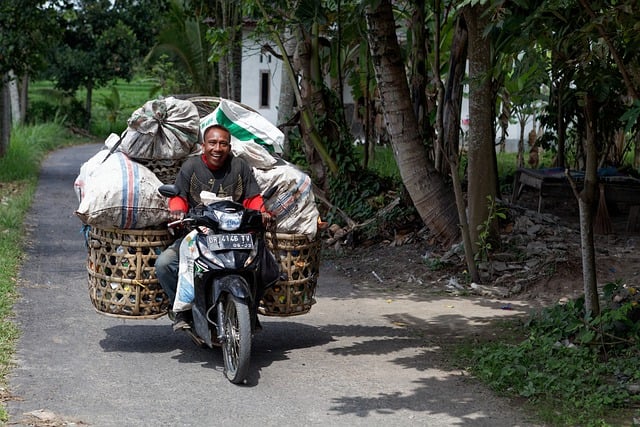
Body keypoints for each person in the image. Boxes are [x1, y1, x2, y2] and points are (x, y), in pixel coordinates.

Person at [155, 123, 271, 331]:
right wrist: (178, 210)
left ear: (229, 147)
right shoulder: (191, 166)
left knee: (264, 265)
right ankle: (183, 310)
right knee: (165, 264)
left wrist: (262, 212)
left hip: (235, 235)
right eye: (213, 143)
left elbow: (253, 197)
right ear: (203, 146)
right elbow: (178, 196)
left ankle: (248, 311)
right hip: (198, 234)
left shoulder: (239, 166)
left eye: (223, 144)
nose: (218, 148)